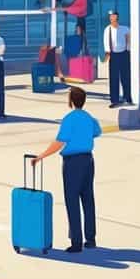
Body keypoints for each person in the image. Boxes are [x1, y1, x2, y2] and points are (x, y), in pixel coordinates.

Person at [32, 87, 100, 253]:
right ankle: (90, 239)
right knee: (88, 199)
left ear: (71, 101)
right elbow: (96, 132)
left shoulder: (69, 119)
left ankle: (76, 242)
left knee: (72, 200)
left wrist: (41, 156)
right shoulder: (89, 118)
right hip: (88, 160)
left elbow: (59, 143)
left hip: (72, 163)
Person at [102, 11, 132, 108]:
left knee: (126, 77)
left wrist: (128, 50)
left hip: (124, 54)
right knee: (114, 78)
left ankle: (127, 98)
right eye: (111, 16)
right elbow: (106, 42)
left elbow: (129, 39)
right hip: (114, 55)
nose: (112, 18)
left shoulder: (125, 29)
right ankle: (114, 100)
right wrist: (107, 54)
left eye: (114, 16)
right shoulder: (108, 29)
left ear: (117, 17)